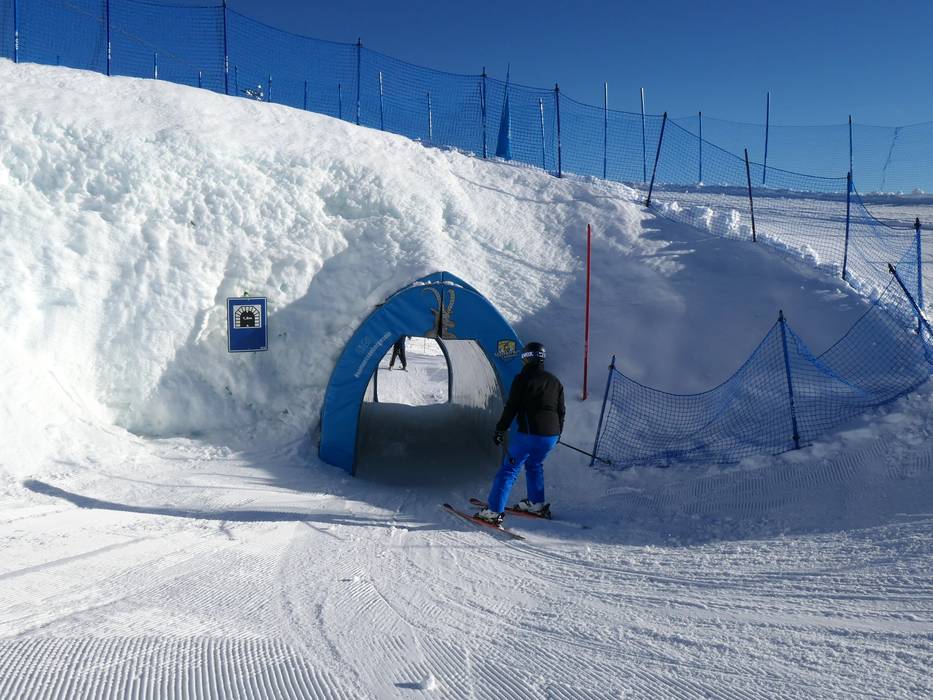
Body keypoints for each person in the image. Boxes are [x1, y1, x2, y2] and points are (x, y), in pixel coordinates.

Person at [476, 341, 565, 525]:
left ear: (525, 358)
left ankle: (493, 511)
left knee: (509, 470)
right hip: (550, 436)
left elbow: (512, 407)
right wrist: (557, 434)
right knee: (534, 464)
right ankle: (536, 504)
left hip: (529, 435)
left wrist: (500, 429)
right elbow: (561, 411)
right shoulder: (555, 381)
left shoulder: (522, 379)